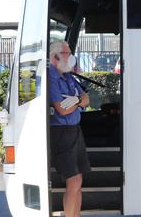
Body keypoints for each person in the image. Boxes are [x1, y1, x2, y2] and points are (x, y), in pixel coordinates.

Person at [49, 40, 91, 217]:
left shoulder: (67, 76)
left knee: (78, 180)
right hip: (60, 134)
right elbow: (62, 109)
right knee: (73, 181)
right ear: (54, 57)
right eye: (67, 53)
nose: (71, 57)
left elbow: (86, 99)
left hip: (75, 131)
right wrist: (77, 101)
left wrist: (75, 100)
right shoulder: (50, 77)